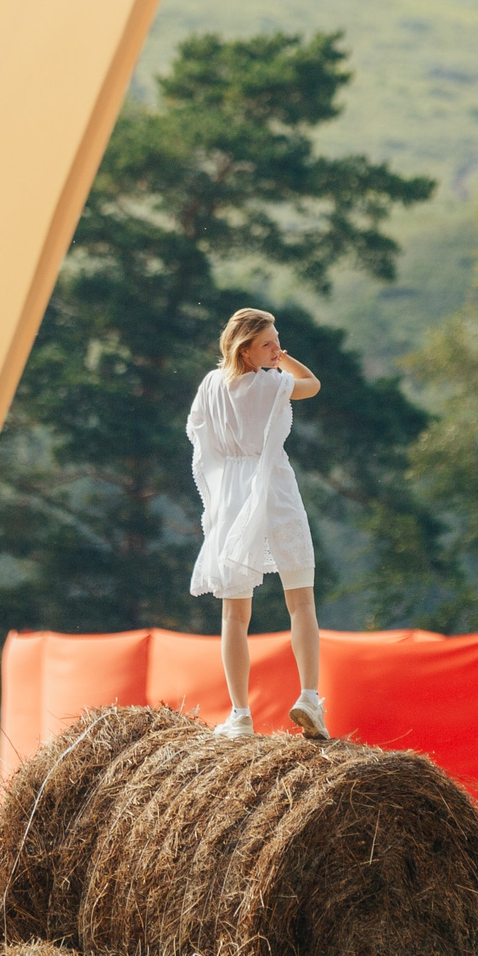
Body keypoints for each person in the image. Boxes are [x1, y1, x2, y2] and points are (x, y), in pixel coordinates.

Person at [185, 307, 327, 740]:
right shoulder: (273, 383)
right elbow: (314, 386)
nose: (276, 348)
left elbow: (198, 434)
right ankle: (308, 696)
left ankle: (240, 715)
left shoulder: (211, 385)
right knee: (301, 600)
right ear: (246, 351)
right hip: (275, 488)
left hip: (232, 496)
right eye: (268, 343)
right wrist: (285, 360)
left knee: (234, 613)